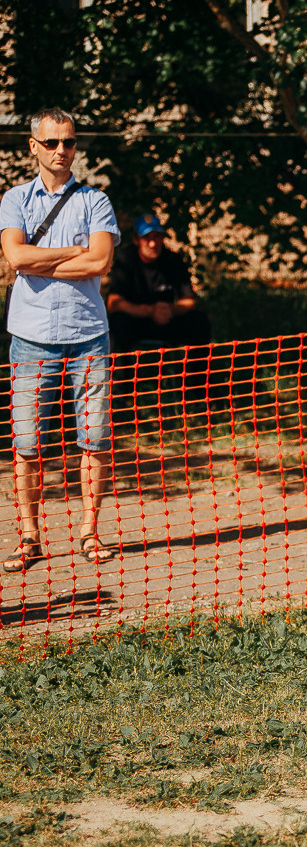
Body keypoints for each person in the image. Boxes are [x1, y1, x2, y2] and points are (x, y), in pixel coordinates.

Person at [0, 108, 120, 572]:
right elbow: (15, 256)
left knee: (93, 439)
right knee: (27, 442)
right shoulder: (15, 200)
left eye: (68, 142)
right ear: (33, 146)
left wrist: (39, 259)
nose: (61, 151)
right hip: (30, 337)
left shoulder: (96, 201)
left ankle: (91, 533)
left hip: (87, 335)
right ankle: (29, 537)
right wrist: (74, 249)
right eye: (51, 143)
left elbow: (99, 264)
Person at [106, 212, 212, 352]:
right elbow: (113, 303)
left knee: (199, 321)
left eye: (156, 236)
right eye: (146, 238)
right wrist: (149, 311)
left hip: (168, 319)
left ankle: (198, 374)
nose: (152, 243)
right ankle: (121, 374)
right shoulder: (125, 259)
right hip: (136, 321)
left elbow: (188, 301)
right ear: (136, 239)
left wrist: (170, 309)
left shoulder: (173, 260)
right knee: (116, 324)